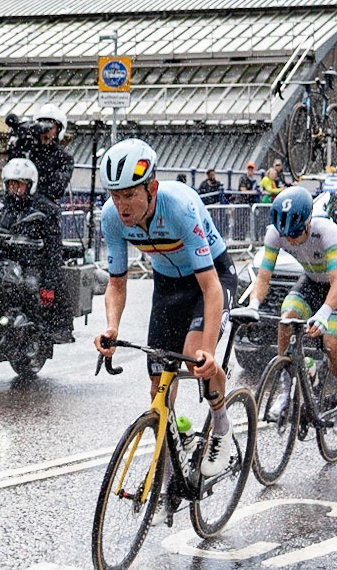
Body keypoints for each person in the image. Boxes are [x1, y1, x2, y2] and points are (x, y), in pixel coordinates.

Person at [92, 137, 238, 478]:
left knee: (195, 354)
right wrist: (112, 327)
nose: (122, 205)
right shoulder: (112, 218)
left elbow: (211, 286)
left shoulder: (179, 207)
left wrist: (209, 350)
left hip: (210, 276)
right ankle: (168, 468)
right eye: (116, 195)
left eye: (130, 194)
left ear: (152, 188)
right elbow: (116, 283)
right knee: (158, 382)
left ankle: (221, 427)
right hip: (168, 285)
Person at [251, 185, 337, 434]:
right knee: (286, 320)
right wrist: (253, 306)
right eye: (285, 234)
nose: (291, 239)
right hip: (312, 280)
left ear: (309, 222)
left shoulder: (327, 232)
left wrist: (323, 315)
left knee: (331, 344)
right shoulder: (274, 234)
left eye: (296, 232)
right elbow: (263, 278)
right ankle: (286, 391)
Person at [0, 156, 69, 340]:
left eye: (20, 184)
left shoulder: (45, 209)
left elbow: (53, 249)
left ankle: (35, 334)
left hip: (29, 261)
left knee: (29, 288)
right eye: (11, 184)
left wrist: (49, 284)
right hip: (0, 258)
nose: (15, 189)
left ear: (30, 185)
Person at [10, 104, 74, 206]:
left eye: (51, 128)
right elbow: (12, 173)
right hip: (20, 205)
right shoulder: (28, 150)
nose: (46, 133)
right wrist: (19, 142)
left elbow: (57, 188)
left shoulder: (64, 157)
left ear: (58, 130)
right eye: (43, 127)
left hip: (46, 207)